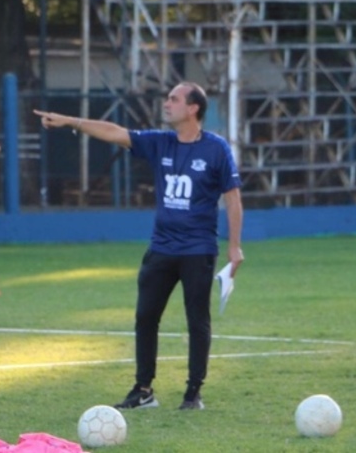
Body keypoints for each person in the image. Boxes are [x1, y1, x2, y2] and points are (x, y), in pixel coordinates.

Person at [34, 81, 244, 411]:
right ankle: (143, 390)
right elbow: (114, 132)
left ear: (193, 109)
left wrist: (235, 247)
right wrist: (72, 121)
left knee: (197, 320)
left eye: (174, 99)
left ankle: (193, 393)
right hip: (161, 248)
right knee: (145, 316)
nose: (166, 103)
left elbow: (232, 199)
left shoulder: (216, 149)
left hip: (198, 250)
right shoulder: (159, 143)